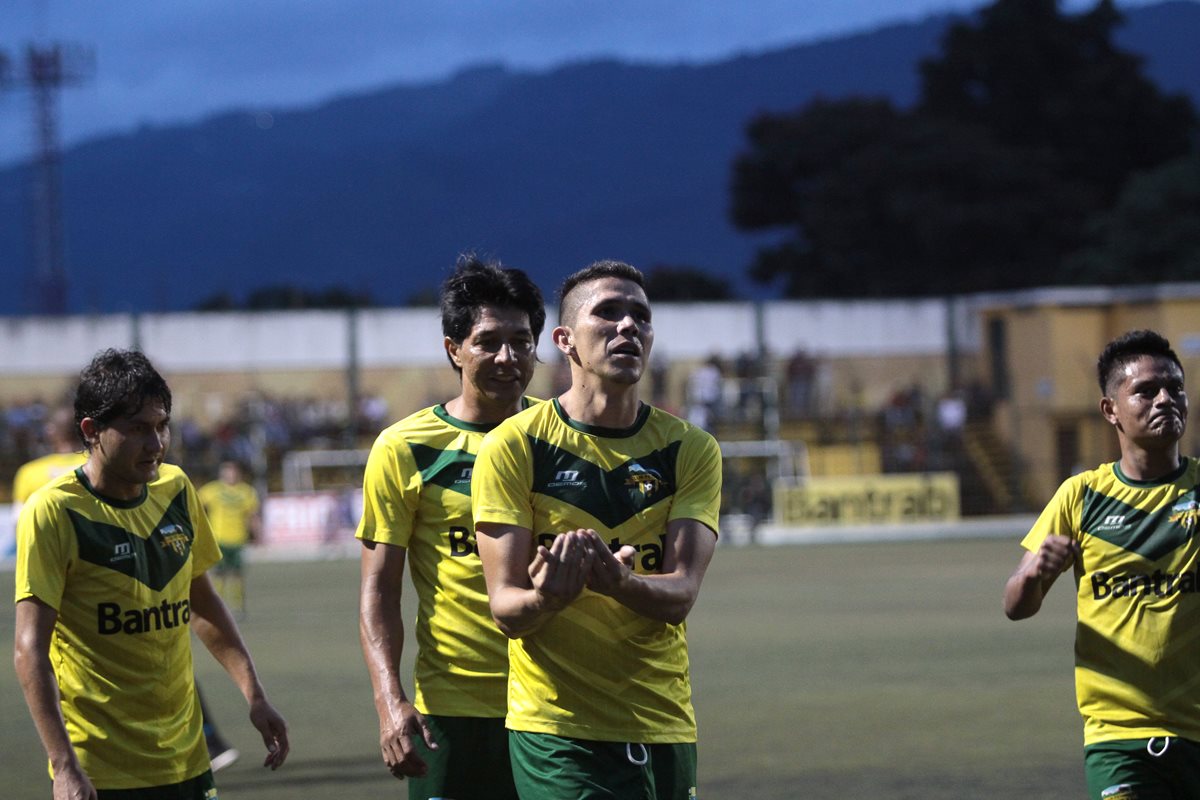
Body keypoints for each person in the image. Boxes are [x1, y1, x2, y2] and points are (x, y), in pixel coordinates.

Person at [473, 260, 722, 799]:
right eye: (607, 313)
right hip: (557, 731)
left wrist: (618, 583)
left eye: (640, 316)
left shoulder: (690, 449)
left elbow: (681, 594)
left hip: (662, 720)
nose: (628, 326)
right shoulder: (513, 446)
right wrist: (546, 598)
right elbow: (506, 608)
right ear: (564, 339)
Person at [13, 348, 289, 798]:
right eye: (138, 429)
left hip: (187, 760)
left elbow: (201, 603)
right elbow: (29, 651)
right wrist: (64, 767)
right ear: (92, 430)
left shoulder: (176, 489)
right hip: (101, 771)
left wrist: (254, 694)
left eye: (162, 426)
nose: (156, 443)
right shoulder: (54, 512)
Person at [357, 256, 545, 799]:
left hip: (558, 704)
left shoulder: (559, 440)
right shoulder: (404, 448)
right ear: (453, 348)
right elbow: (378, 589)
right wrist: (390, 702)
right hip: (454, 709)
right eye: (487, 341)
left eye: (521, 340)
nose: (507, 357)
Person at [1004, 329, 1198, 800]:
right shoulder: (1081, 496)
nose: (1165, 399)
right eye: (1146, 391)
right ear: (1110, 409)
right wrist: (1037, 572)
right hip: (1116, 736)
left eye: (1175, 388)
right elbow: (1016, 604)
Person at [199, 460, 261, 616]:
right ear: (221, 474)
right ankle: (217, 607)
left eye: (232, 472)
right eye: (226, 472)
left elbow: (252, 516)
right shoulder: (211, 490)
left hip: (238, 540)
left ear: (238, 473)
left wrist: (258, 534)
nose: (230, 475)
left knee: (237, 574)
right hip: (218, 540)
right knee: (219, 574)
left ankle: (237, 607)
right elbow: (195, 507)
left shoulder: (247, 492)